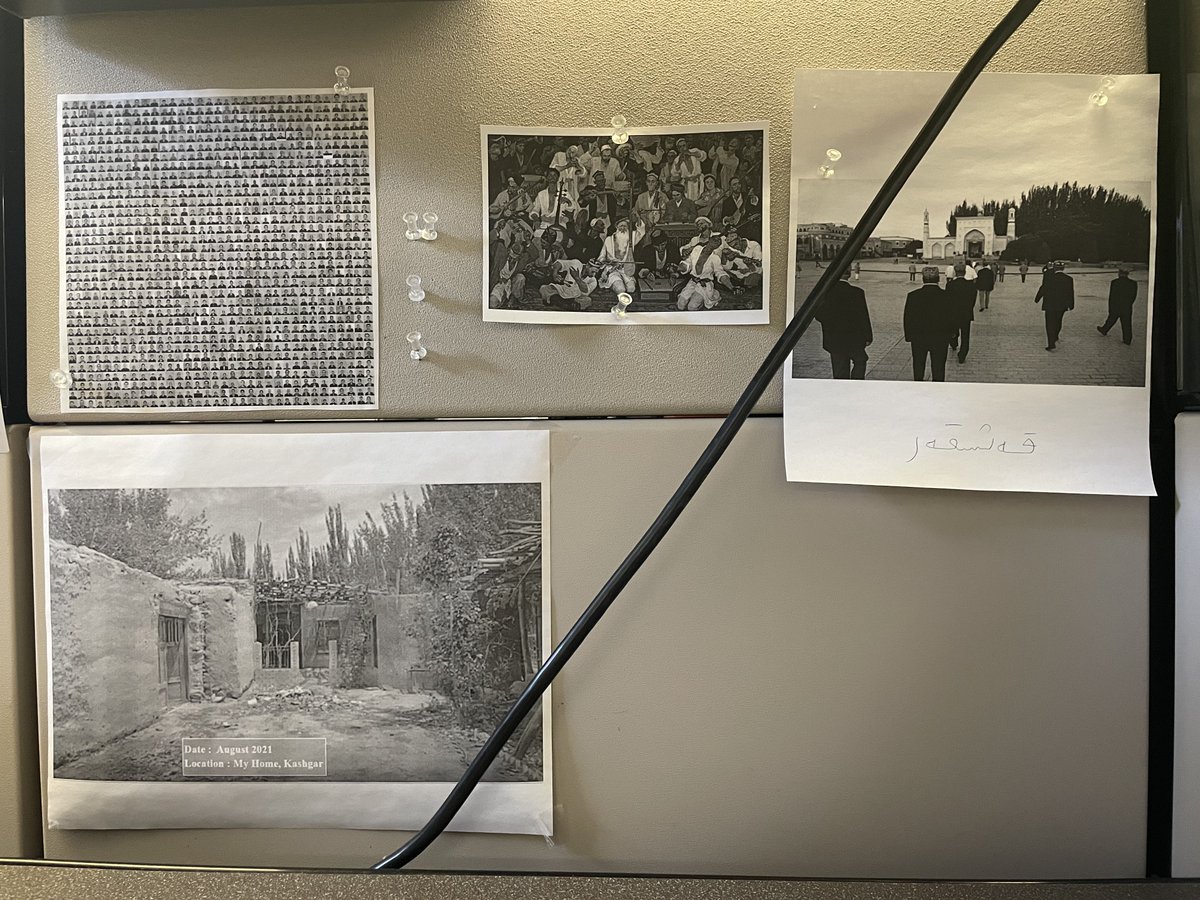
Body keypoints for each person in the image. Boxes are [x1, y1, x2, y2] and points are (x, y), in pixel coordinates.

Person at [814, 269, 872, 379]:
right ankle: (856, 383)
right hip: (855, 337)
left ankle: (842, 390)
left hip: (835, 338)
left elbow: (819, 315)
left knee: (840, 369)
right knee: (860, 361)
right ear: (849, 274)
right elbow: (863, 316)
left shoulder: (826, 292)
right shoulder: (857, 292)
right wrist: (868, 336)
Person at [903, 266, 955, 381]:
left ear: (923, 279)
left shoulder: (913, 296)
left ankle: (919, 387)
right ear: (938, 278)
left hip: (919, 337)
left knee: (918, 365)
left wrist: (909, 336)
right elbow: (951, 317)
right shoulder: (947, 296)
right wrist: (952, 334)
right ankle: (937, 390)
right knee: (939, 367)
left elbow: (908, 317)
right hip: (940, 338)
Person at [678, 233, 733, 311]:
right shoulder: (696, 250)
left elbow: (720, 273)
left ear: (718, 246)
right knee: (680, 305)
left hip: (704, 286)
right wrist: (680, 268)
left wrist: (731, 287)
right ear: (709, 240)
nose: (716, 241)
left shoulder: (715, 258)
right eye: (715, 239)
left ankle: (709, 296)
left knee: (692, 307)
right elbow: (687, 263)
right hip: (692, 282)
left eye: (718, 242)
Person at [597, 214, 646, 297]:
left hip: (626, 270)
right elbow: (601, 258)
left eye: (625, 226)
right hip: (612, 270)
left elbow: (641, 232)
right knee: (621, 289)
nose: (623, 228)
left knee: (631, 289)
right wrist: (610, 262)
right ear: (616, 227)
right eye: (621, 226)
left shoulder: (631, 238)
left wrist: (638, 217)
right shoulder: (608, 240)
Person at [1035, 261, 1075, 351]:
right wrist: (1071, 305)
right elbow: (1070, 293)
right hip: (1062, 305)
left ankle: (1051, 343)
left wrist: (1037, 298)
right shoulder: (1069, 279)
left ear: (1054, 268)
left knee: (1049, 324)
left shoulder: (1050, 278)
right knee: (1058, 321)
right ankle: (1055, 336)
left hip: (1050, 304)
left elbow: (1043, 288)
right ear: (1063, 268)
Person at [945, 261, 976, 365]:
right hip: (966, 314)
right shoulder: (971, 286)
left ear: (955, 272)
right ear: (964, 272)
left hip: (953, 314)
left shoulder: (950, 285)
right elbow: (973, 301)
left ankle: (953, 343)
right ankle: (962, 354)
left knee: (953, 331)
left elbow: (947, 300)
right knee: (965, 335)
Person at [1097, 266, 1137, 345]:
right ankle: (1127, 339)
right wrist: (1129, 304)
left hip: (1116, 305)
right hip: (1126, 306)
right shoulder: (1133, 283)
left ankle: (1104, 329)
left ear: (1120, 273)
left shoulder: (1115, 282)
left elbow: (1112, 296)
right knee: (1126, 323)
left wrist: (1110, 307)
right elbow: (1133, 296)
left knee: (1111, 319)